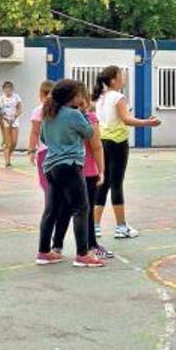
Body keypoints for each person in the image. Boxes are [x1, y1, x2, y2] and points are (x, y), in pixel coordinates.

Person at [36, 79, 104, 268]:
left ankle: (43, 251)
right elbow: (89, 133)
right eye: (78, 95)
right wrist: (84, 113)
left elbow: (43, 137)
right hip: (70, 165)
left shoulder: (49, 113)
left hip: (51, 166)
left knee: (51, 211)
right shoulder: (74, 114)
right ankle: (83, 254)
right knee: (81, 208)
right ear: (71, 97)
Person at [92, 66, 161, 239]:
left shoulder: (100, 97)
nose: (124, 78)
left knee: (104, 183)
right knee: (116, 184)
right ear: (114, 80)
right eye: (121, 76)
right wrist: (148, 123)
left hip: (103, 142)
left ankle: (95, 226)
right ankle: (121, 227)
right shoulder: (118, 97)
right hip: (117, 143)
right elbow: (126, 119)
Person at [50, 97, 113, 260]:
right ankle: (90, 246)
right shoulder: (89, 119)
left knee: (63, 209)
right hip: (86, 170)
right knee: (86, 210)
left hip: (63, 167)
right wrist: (102, 170)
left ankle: (56, 246)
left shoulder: (59, 117)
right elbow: (96, 145)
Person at [0, 81, 22, 168]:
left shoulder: (16, 96)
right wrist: (6, 119)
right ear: (4, 89)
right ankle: (7, 161)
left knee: (14, 142)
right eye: (6, 89)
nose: (8, 90)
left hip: (14, 120)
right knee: (8, 142)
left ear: (12, 89)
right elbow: (0, 111)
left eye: (10, 89)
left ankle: (8, 154)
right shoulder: (1, 98)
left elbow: (20, 108)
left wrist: (15, 116)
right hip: (5, 120)